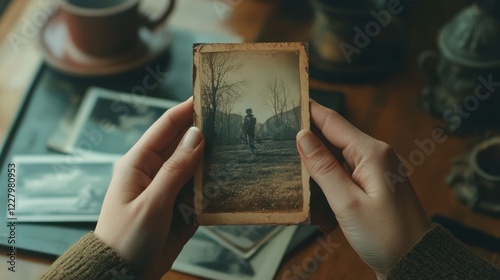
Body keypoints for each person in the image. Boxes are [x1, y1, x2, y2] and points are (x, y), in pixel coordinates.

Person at [41, 99, 500, 280]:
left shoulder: (251, 118)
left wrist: (108, 263)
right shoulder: (244, 118)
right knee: (247, 144)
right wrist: (410, 257)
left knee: (251, 143)